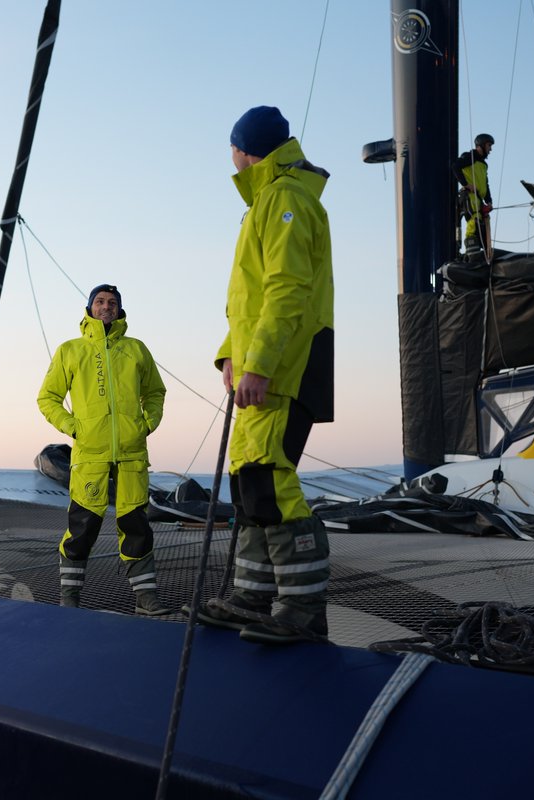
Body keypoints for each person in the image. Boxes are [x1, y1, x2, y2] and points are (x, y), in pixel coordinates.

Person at [197, 106, 335, 645]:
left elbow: (286, 290)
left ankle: (301, 610)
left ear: (244, 149)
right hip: (261, 367)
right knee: (251, 480)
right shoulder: (267, 201)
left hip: (284, 366)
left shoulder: (283, 198)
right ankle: (252, 596)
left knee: (271, 480)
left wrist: (259, 364)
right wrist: (231, 355)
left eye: (231, 148)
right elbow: (246, 302)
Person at [37, 284, 170, 616]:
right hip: (90, 454)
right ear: (89, 307)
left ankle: (146, 598)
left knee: (136, 526)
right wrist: (73, 427)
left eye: (112, 302)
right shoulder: (71, 350)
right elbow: (47, 398)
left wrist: (147, 423)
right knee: (83, 526)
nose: (106, 306)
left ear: (120, 310)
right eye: (100, 301)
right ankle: (70, 596)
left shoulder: (137, 349)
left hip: (132, 454)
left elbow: (155, 392)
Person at [453, 133, 495, 257]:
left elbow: (485, 184)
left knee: (482, 224)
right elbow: (455, 167)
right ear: (480, 145)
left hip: (479, 198)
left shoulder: (483, 164)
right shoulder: (469, 157)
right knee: (474, 220)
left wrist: (489, 201)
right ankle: (472, 254)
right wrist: (466, 184)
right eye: (489, 145)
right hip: (469, 195)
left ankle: (481, 252)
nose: (490, 149)